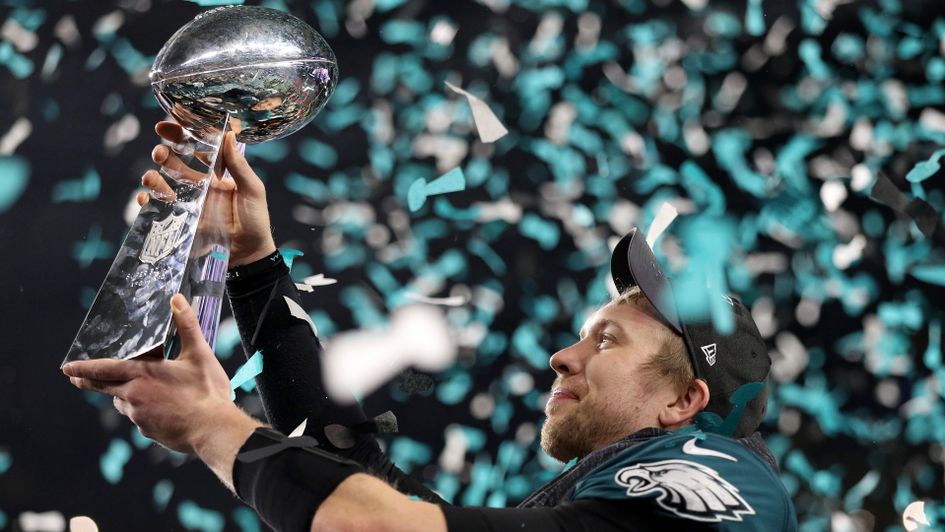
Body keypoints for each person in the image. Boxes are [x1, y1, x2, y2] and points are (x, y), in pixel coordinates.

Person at [63, 123, 798, 531]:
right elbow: (367, 485)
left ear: (685, 404)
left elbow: (379, 530)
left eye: (605, 340)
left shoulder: (720, 478)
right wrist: (253, 264)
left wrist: (209, 426)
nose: (559, 356)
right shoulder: (607, 503)